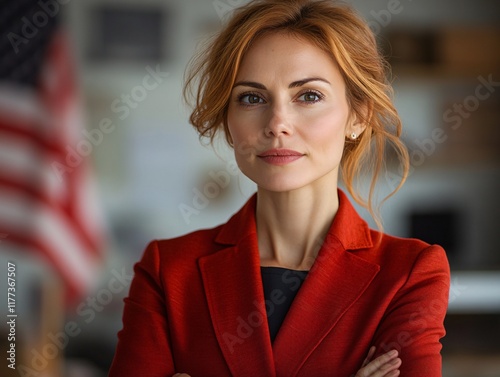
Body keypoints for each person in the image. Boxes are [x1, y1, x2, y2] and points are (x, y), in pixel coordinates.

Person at [109, 0, 450, 376]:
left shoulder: (411, 273)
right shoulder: (167, 270)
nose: (277, 123)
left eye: (309, 96)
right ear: (228, 121)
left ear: (358, 115)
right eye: (252, 98)